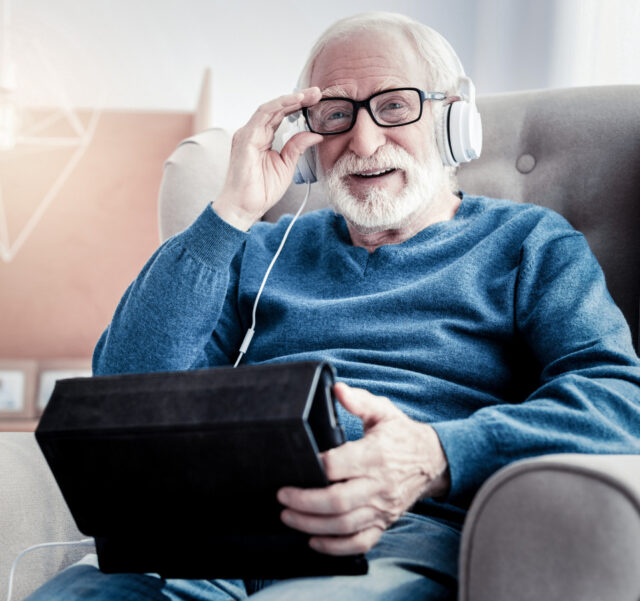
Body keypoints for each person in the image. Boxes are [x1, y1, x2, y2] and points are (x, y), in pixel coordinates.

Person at [27, 11, 640, 601]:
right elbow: (125, 390)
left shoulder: (529, 242)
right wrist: (230, 214)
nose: (363, 139)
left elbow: (618, 402)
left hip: (398, 531)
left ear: (455, 122)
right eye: (334, 115)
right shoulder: (257, 246)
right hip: (210, 534)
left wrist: (434, 454)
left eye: (395, 105)